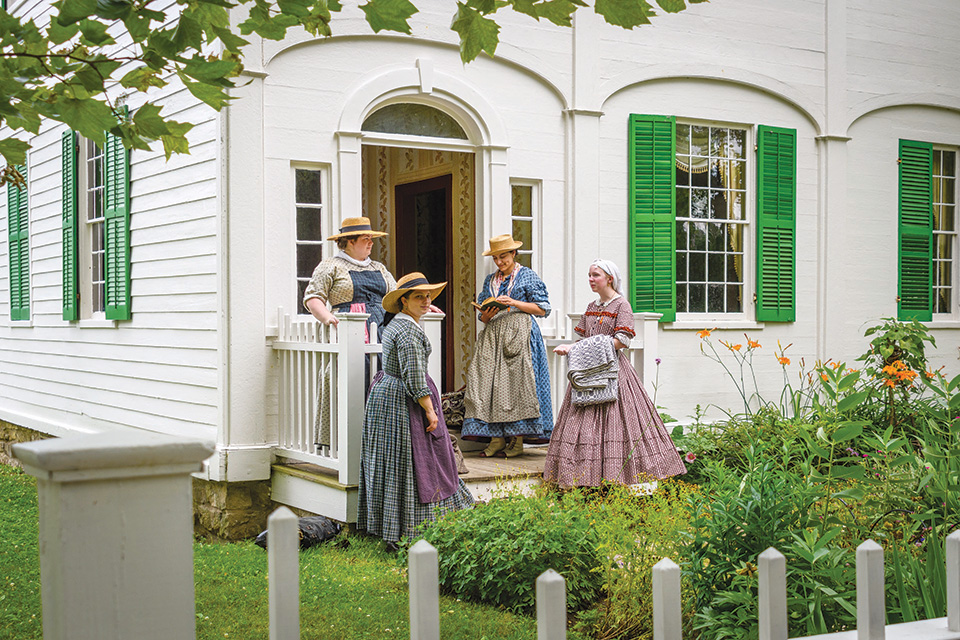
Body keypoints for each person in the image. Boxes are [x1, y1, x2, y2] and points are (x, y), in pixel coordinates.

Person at [543, 260, 686, 488]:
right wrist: (574, 347)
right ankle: (580, 478)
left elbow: (621, 341)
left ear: (609, 278)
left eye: (595, 275)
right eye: (589, 275)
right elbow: (583, 339)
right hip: (586, 374)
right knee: (578, 426)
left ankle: (620, 478)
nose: (590, 279)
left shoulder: (622, 306)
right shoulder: (592, 306)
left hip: (614, 374)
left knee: (619, 424)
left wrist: (575, 349)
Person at [358, 272, 474, 549]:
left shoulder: (396, 324)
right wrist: (431, 411)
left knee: (393, 462)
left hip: (386, 394)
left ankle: (391, 528)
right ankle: (411, 529)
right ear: (403, 301)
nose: (426, 300)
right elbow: (414, 376)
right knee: (416, 461)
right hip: (404, 401)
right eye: (418, 296)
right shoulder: (409, 330)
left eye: (428, 295)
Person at [302, 217, 395, 448]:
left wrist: (422, 304)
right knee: (350, 382)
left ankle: (381, 441)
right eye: (366, 239)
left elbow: (396, 297)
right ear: (350, 241)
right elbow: (313, 297)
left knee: (385, 380)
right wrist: (329, 318)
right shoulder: (331, 265)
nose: (371, 243)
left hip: (381, 331)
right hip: (349, 330)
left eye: (371, 238)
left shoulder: (378, 268)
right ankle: (350, 442)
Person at [462, 234, 553, 458]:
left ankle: (517, 440)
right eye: (496, 258)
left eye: (503, 257)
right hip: (493, 334)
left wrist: (513, 302)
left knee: (518, 385)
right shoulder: (490, 281)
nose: (500, 262)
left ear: (513, 254)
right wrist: (486, 314)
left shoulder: (527, 276)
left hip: (520, 334)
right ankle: (496, 439)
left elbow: (543, 309)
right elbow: (483, 317)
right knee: (487, 384)